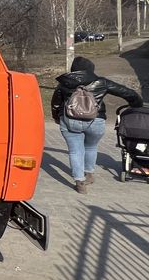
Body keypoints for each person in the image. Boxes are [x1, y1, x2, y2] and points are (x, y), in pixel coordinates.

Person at [51, 56, 143, 193]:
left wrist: (57, 118)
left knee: (75, 151)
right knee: (91, 146)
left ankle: (79, 182)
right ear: (90, 69)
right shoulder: (101, 82)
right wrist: (136, 105)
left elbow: (56, 103)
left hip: (70, 121)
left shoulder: (64, 83)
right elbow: (128, 93)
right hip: (96, 120)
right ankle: (89, 174)